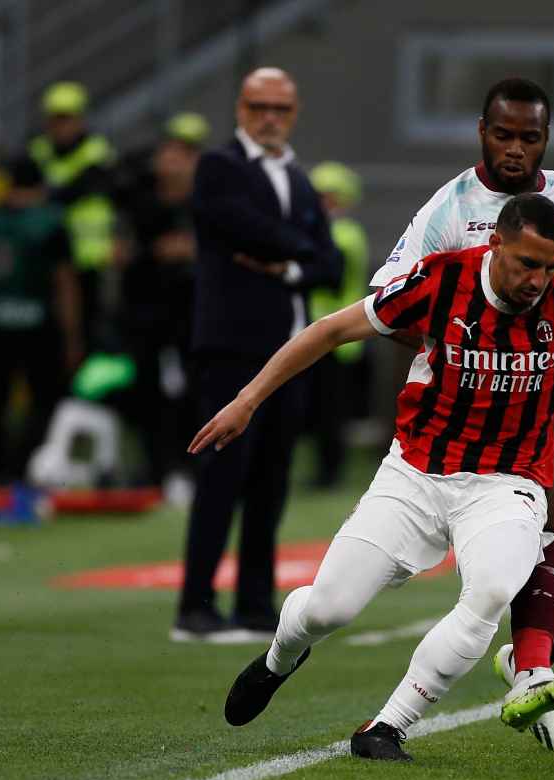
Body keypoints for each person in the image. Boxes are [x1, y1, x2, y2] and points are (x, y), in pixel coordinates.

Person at [197, 193, 554, 761]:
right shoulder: (439, 281)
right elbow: (331, 330)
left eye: (550, 266)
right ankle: (280, 658)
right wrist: (246, 400)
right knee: (327, 611)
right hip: (415, 474)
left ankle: (386, 727)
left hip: (507, 482)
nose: (538, 280)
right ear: (495, 244)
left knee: (491, 593)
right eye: (527, 264)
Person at [371, 78, 554, 750]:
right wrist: (461, 350)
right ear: (482, 132)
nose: (514, 148)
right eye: (503, 134)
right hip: (495, 399)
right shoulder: (449, 206)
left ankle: (527, 661)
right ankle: (529, 670)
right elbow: (388, 299)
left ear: (545, 139)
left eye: (528, 137)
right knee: (552, 519)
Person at [172, 68, 343, 643]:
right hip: (233, 349)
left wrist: (290, 265)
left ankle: (253, 604)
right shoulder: (219, 166)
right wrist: (302, 250)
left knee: (271, 482)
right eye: (259, 106)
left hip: (288, 355)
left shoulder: (295, 176)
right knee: (221, 478)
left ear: (294, 113)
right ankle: (195, 607)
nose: (270, 117)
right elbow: (242, 227)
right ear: (240, 109)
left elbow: (331, 264)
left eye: (280, 108)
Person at [0, 157, 83, 483]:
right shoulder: (50, 223)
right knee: (43, 400)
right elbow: (64, 281)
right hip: (37, 324)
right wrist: (72, 335)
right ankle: (22, 466)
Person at [114, 113, 209, 498]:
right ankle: (153, 468)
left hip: (192, 314)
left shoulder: (208, 204)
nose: (174, 162)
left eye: (184, 154)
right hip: (146, 312)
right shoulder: (140, 201)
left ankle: (188, 467)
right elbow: (123, 250)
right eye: (170, 153)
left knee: (192, 390)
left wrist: (195, 251)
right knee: (145, 390)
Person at [28, 81, 117, 345]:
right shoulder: (37, 150)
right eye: (55, 118)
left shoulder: (98, 152)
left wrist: (45, 194)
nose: (59, 125)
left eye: (66, 118)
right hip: (45, 256)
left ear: (80, 119)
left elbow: (75, 191)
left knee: (89, 330)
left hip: (88, 258)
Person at [305, 161, 371, 488]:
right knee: (324, 409)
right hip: (329, 335)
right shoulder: (340, 232)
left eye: (325, 196)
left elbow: (329, 280)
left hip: (335, 337)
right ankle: (325, 471)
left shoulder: (341, 235)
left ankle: (329, 474)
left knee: (330, 411)